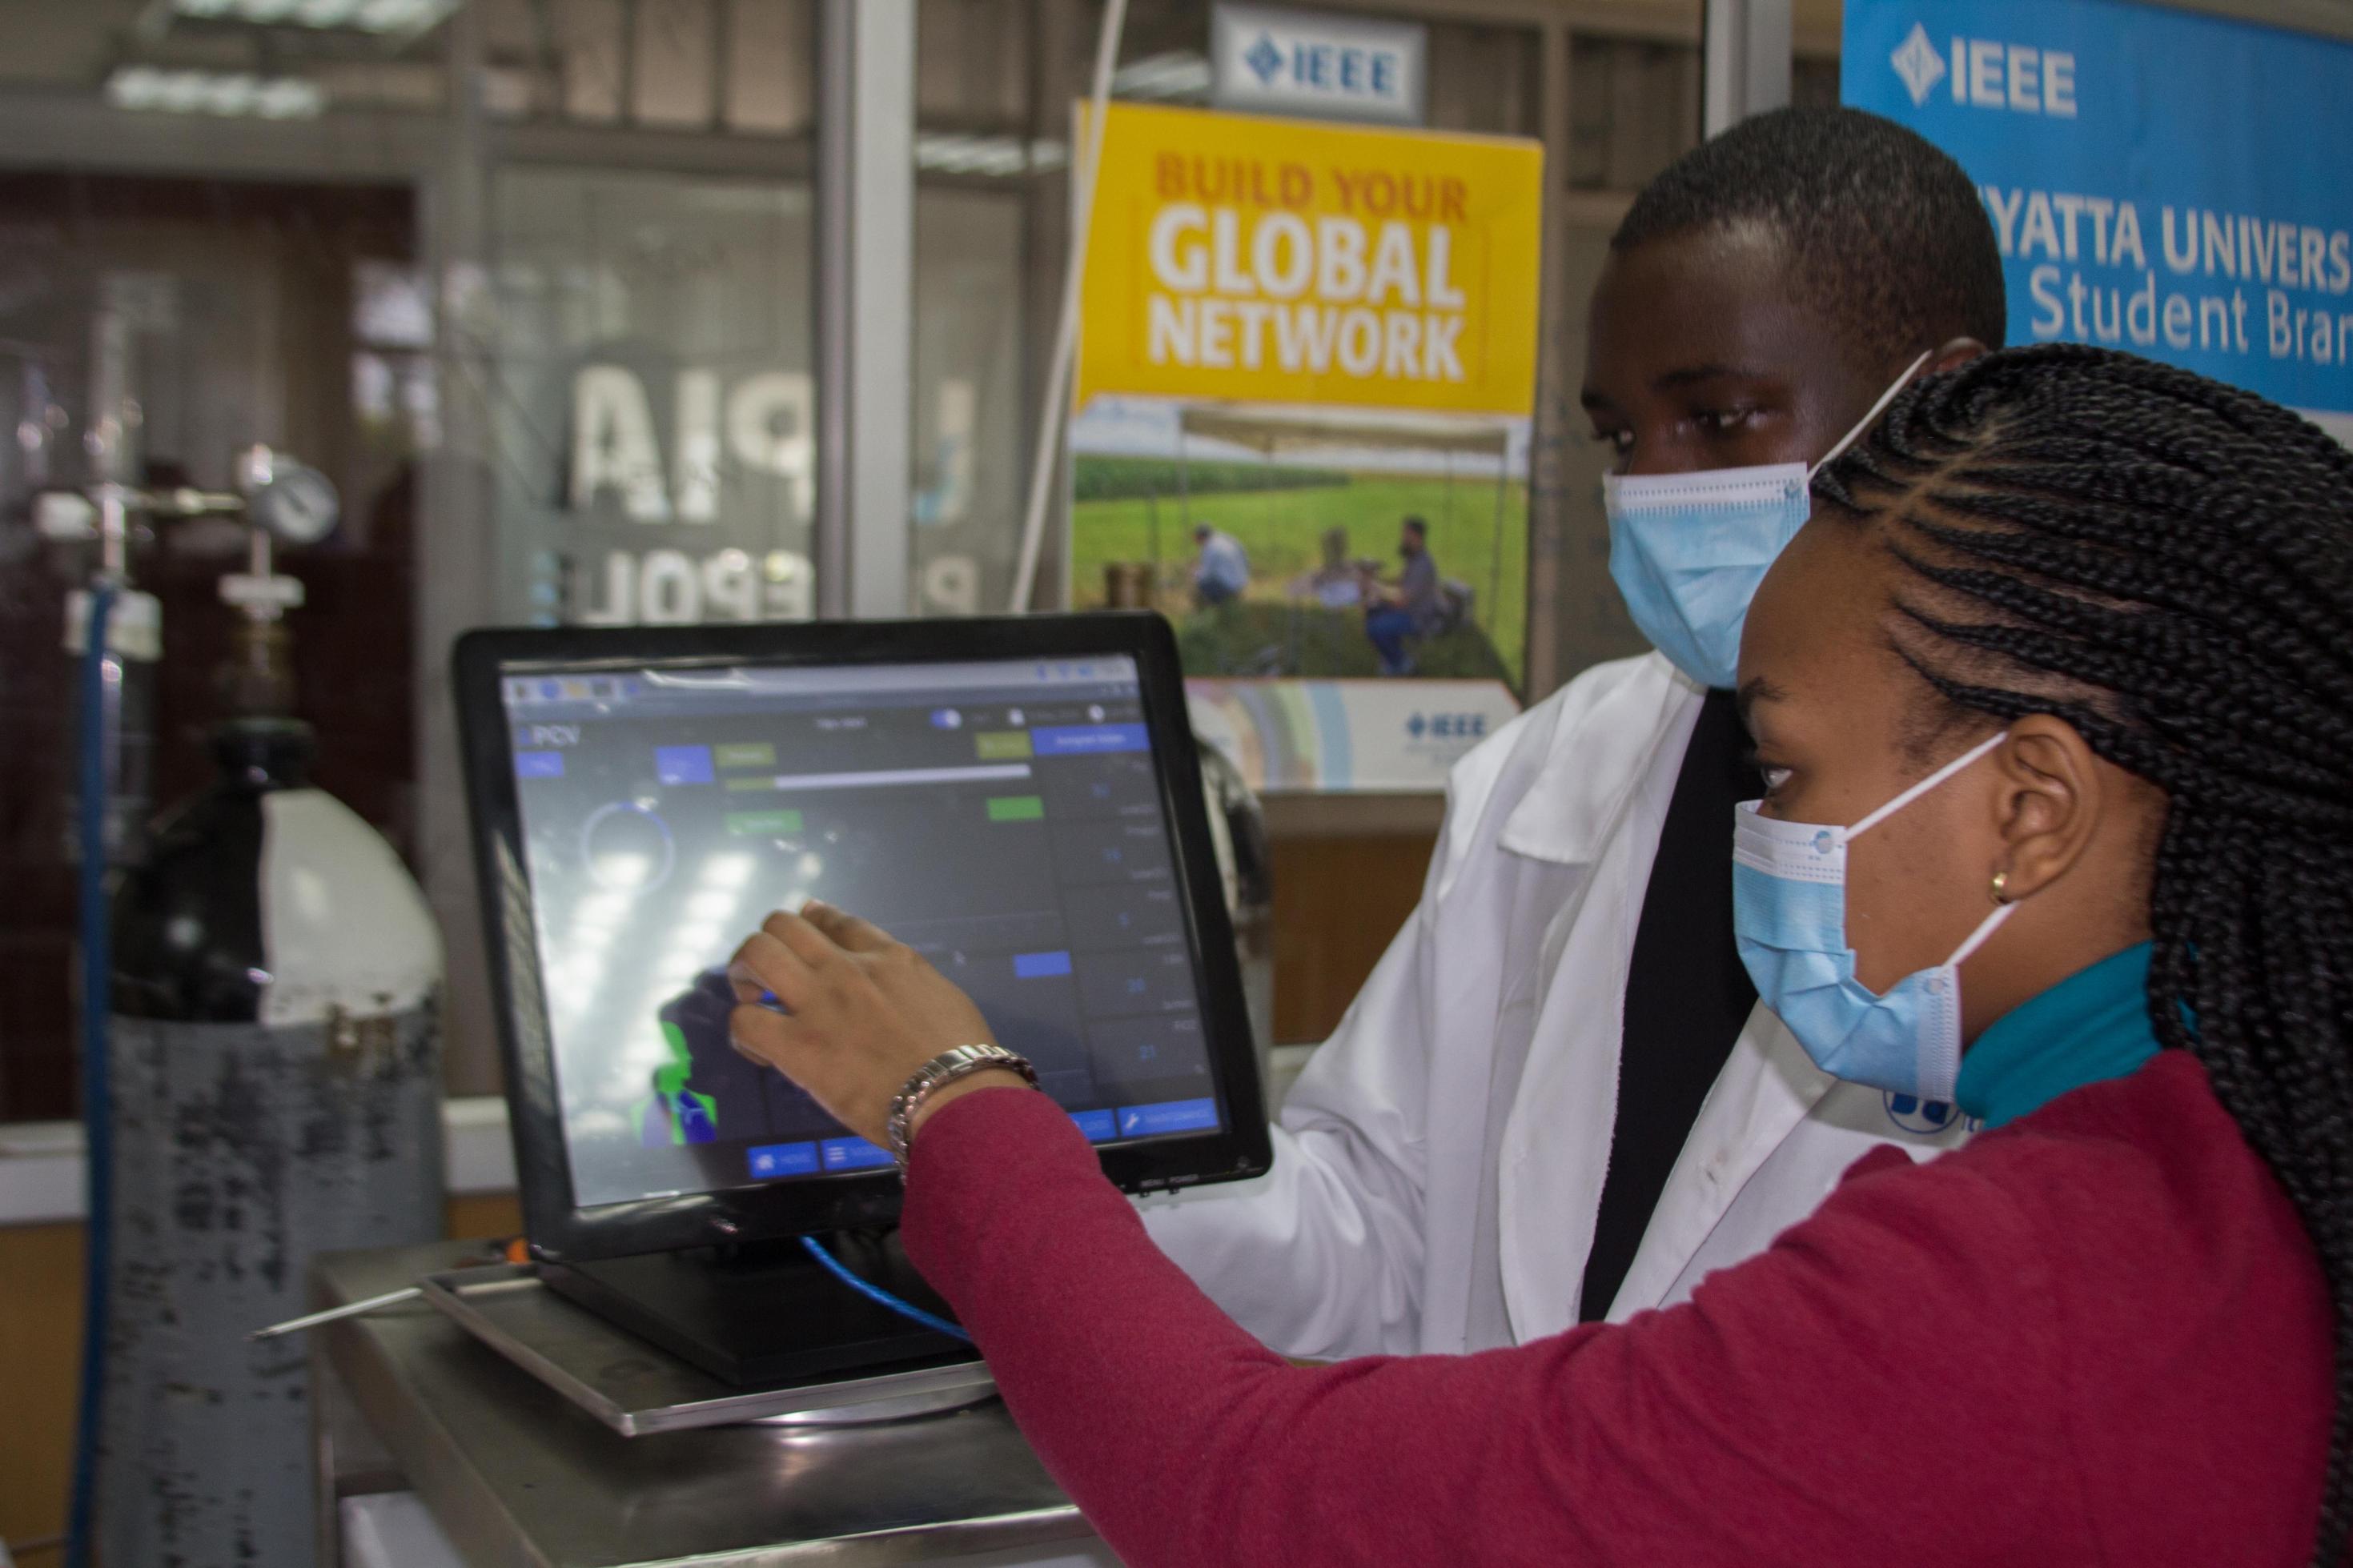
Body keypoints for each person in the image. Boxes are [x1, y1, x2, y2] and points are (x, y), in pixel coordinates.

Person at [726, 344, 2351, 1565]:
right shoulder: (2235, 1155)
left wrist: (949, 1092)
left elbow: (1237, 1482)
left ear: (2028, 807)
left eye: (1780, 775)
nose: (1753, 832)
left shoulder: (2015, 1292)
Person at [1141, 107, 2010, 1361]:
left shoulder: (2059, 830)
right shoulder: (1555, 769)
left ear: (1938, 401)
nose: (1650, 487)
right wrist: (1068, 1153)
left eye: (1716, 420)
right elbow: (1378, 1226)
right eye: (1617, 436)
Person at [1362, 515, 1444, 674]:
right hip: (1407, 609)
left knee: (1375, 628)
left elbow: (1401, 601)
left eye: (1405, 535)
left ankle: (1404, 664)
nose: (1403, 539)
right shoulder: (1414, 559)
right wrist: (1377, 583)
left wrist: (1376, 589)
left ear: (1415, 537)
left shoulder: (1423, 565)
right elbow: (1400, 583)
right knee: (1373, 610)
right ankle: (1390, 655)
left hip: (1417, 617)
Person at [1191, 523, 1248, 608]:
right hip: (1242, 581)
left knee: (1203, 583)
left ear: (1201, 537)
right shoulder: (1225, 539)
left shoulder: (1210, 548)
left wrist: (1194, 574)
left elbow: (1206, 574)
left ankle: (1218, 605)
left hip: (1230, 585)